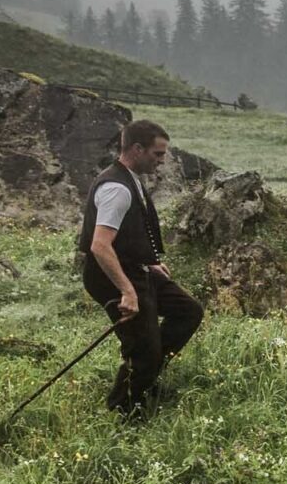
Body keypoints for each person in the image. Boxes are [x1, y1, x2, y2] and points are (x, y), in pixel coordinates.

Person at [77, 119, 204, 415]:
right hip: (110, 276)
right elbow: (100, 245)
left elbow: (127, 234)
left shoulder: (131, 178)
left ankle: (145, 378)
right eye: (157, 154)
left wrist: (150, 263)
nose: (161, 161)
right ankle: (124, 411)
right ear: (137, 149)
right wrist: (127, 291)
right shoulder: (116, 189)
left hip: (136, 269)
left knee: (188, 312)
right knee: (143, 350)